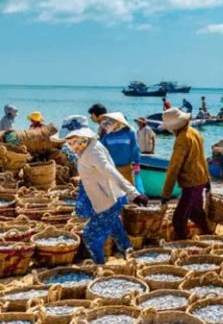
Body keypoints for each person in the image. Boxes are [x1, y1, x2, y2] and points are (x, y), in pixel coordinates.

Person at [64, 126, 147, 264]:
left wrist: (133, 193)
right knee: (116, 229)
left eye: (72, 141)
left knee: (91, 235)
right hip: (111, 196)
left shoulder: (93, 152)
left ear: (80, 139)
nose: (70, 145)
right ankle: (130, 255)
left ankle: (100, 266)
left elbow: (110, 172)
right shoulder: (88, 147)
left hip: (109, 200)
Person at [160, 107, 212, 239]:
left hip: (191, 183)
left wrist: (166, 194)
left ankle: (183, 244)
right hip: (200, 179)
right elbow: (202, 158)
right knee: (196, 214)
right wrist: (208, 180)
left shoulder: (182, 139)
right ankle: (209, 236)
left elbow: (174, 168)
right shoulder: (195, 133)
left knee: (178, 219)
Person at [99, 112, 141, 186]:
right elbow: (101, 150)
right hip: (111, 168)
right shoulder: (107, 134)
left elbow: (135, 148)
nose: (109, 124)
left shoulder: (130, 132)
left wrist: (137, 164)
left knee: (130, 190)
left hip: (127, 167)